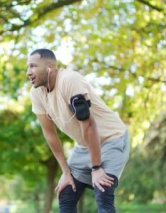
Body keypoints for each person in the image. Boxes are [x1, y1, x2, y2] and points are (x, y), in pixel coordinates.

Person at [27, 48, 130, 213]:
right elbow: (50, 134)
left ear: (49, 68)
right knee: (66, 194)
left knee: (103, 193)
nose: (28, 72)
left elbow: (89, 124)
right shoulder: (36, 94)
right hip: (84, 146)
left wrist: (96, 168)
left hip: (112, 139)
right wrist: (65, 171)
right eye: (28, 67)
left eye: (33, 66)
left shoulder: (69, 80)